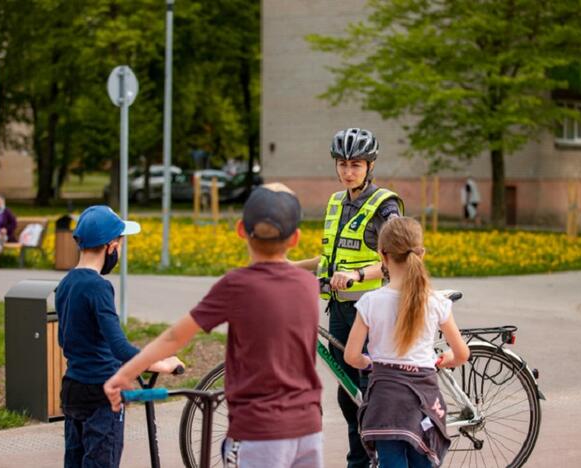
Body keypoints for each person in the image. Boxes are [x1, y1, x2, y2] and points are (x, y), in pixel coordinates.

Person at [104, 184, 324, 468]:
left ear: (240, 230)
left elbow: (175, 337)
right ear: (295, 239)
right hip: (308, 427)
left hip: (259, 429)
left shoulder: (237, 285)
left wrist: (125, 373)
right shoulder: (307, 284)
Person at [291, 128, 403, 468]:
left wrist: (356, 276)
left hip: (372, 312)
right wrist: (285, 266)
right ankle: (359, 460)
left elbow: (397, 257)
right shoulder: (337, 202)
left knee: (369, 393)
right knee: (347, 391)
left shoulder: (384, 206)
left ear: (370, 166)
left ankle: (380, 458)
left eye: (355, 164)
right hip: (340, 309)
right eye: (342, 163)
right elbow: (329, 260)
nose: (347, 171)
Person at [56, 205, 182, 468]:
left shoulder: (66, 283)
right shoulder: (99, 287)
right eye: (121, 245)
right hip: (102, 393)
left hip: (73, 389)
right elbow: (119, 347)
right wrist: (162, 363)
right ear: (111, 246)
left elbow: (65, 340)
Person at [344, 217, 470, 467]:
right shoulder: (436, 302)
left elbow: (351, 356)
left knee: (391, 462)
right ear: (420, 253)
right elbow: (462, 354)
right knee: (423, 460)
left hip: (385, 403)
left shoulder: (370, 302)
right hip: (423, 400)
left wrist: (369, 362)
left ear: (382, 255)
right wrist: (445, 360)